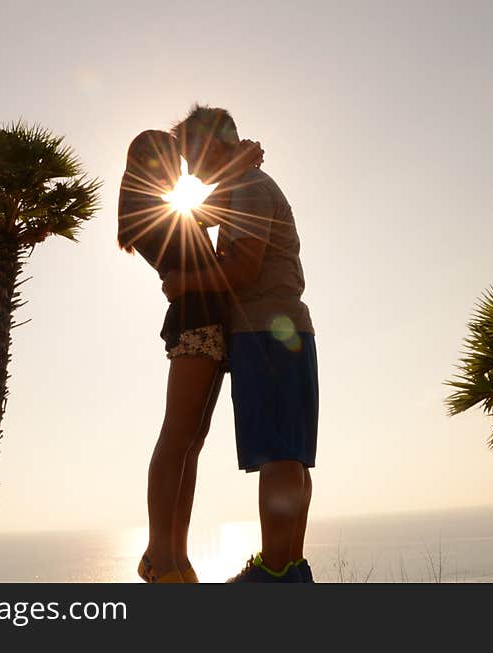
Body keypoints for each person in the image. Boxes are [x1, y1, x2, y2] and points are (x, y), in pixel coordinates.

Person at [164, 105, 318, 582]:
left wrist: (183, 283)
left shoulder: (249, 188)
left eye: (193, 156)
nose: (190, 170)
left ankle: (274, 573)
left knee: (278, 454)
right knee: (290, 453)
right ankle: (288, 568)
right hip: (278, 331)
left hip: (265, 331)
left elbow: (245, 267)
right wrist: (239, 160)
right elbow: (202, 211)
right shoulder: (243, 184)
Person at [118, 129, 261, 583]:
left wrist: (234, 171)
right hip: (194, 327)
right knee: (177, 439)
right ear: (150, 162)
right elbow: (208, 214)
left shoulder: (161, 208)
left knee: (191, 445)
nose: (179, 175)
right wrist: (237, 169)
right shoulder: (144, 208)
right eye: (171, 166)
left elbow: (204, 216)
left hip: (208, 327)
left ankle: (175, 556)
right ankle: (161, 557)